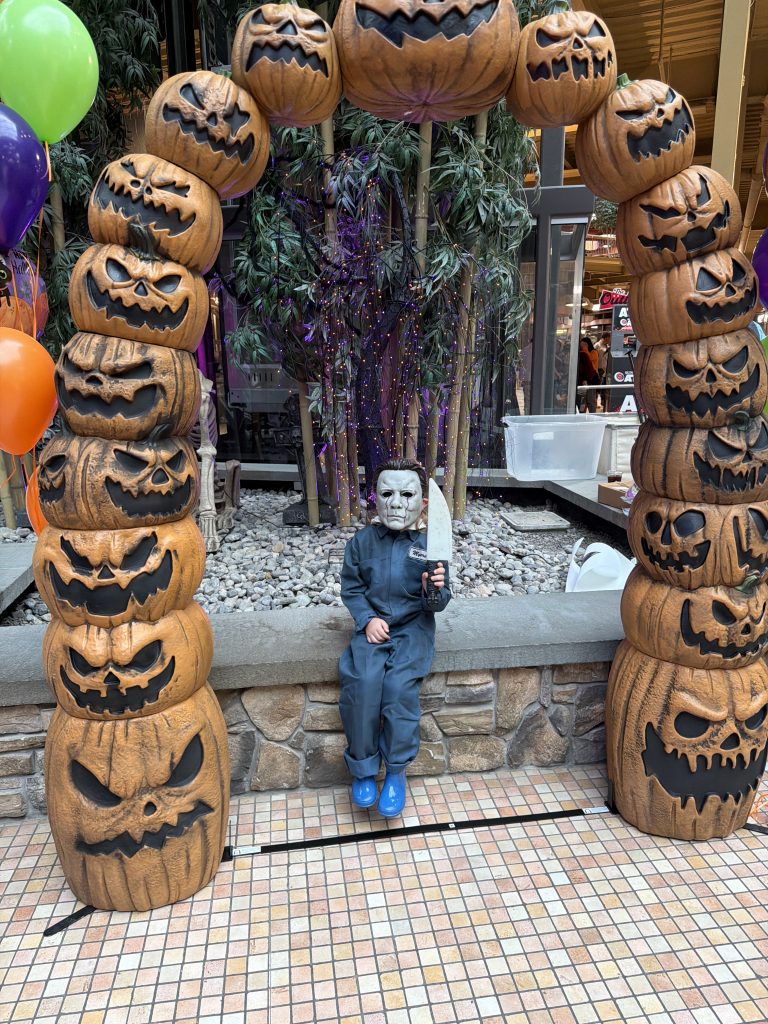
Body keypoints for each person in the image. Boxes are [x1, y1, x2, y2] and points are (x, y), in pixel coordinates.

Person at [338, 458, 451, 818]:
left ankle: (396, 772)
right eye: (387, 494)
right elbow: (352, 588)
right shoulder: (361, 543)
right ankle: (363, 768)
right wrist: (367, 619)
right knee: (363, 684)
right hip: (374, 629)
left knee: (399, 690)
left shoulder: (429, 545)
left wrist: (432, 590)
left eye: (407, 495)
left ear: (423, 502)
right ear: (374, 497)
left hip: (413, 629)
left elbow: (439, 602)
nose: (396, 503)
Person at [577, 336, 599, 412]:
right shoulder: (580, 353)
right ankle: (581, 412)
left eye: (584, 344)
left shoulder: (593, 352)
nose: (582, 346)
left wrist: (585, 349)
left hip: (591, 378)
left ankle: (592, 413)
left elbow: (589, 359)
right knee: (582, 399)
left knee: (591, 399)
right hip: (583, 379)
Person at [595, 332, 611, 411]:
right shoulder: (597, 345)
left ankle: (602, 402)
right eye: (608, 338)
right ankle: (597, 402)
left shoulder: (607, 346)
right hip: (599, 368)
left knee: (603, 386)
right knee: (598, 386)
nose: (609, 340)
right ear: (605, 338)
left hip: (605, 369)